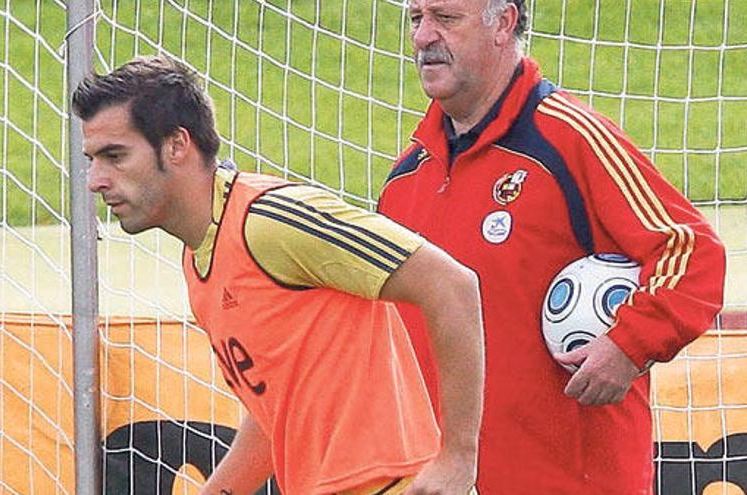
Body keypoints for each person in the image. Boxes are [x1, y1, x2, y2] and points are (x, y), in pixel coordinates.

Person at [72, 56, 484, 495]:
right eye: (93, 160)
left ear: (177, 145)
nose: (96, 180)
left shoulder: (271, 219)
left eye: (115, 156)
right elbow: (273, 416)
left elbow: (452, 284)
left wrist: (458, 457)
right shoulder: (199, 260)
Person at [378, 0, 726, 493]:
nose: (423, 37)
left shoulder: (571, 139)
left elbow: (690, 252)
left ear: (504, 23)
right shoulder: (405, 179)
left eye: (446, 18)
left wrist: (628, 346)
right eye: (416, 19)